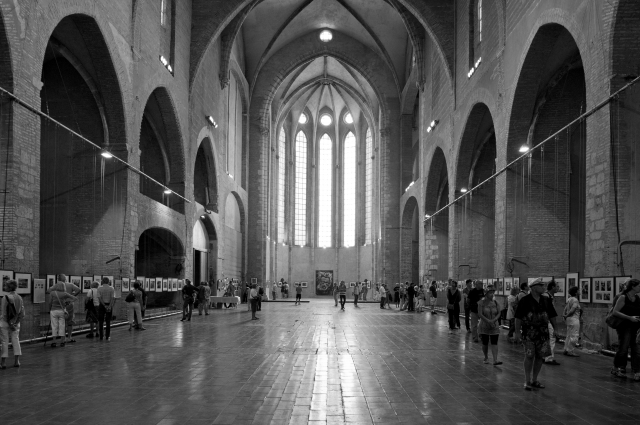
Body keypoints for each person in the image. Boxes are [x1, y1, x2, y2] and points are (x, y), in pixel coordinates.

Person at [514, 277, 558, 390]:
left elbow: (552, 315)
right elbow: (518, 317)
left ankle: (535, 379)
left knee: (540, 356)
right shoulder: (525, 300)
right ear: (533, 287)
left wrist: (556, 329)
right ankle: (527, 380)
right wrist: (517, 332)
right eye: (541, 285)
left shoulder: (546, 300)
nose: (544, 287)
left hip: (543, 333)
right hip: (529, 333)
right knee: (529, 356)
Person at [610, 278, 640, 380]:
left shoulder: (637, 298)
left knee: (636, 350)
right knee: (623, 348)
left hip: (635, 326)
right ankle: (617, 368)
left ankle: (637, 371)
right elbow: (615, 312)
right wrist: (629, 318)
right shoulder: (623, 297)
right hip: (624, 326)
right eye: (639, 286)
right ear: (633, 287)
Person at [47, 274, 81, 343]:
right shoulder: (70, 285)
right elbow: (78, 290)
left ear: (58, 279)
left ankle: (62, 338)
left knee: (60, 323)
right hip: (69, 304)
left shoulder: (56, 286)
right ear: (65, 278)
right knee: (70, 321)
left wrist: (55, 294)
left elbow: (48, 290)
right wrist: (71, 296)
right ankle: (69, 337)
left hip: (59, 306)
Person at [0, 279, 24, 368]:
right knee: (16, 340)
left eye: (6, 286)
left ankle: (3, 362)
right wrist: (15, 323)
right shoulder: (19, 297)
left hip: (5, 323)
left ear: (9, 287)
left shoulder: (5, 297)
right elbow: (22, 313)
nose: (4, 287)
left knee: (4, 341)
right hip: (16, 323)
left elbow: (4, 314)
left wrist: (10, 324)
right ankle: (17, 361)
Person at [478, 285, 502, 365]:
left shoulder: (496, 302)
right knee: (485, 342)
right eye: (490, 293)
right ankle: (486, 357)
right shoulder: (481, 302)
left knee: (494, 342)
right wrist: (488, 321)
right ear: (486, 293)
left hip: (494, 325)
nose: (492, 294)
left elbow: (499, 313)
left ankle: (495, 359)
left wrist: (494, 320)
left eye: (493, 292)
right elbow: (480, 314)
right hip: (484, 325)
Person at [542, 280, 560, 366]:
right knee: (551, 338)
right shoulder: (547, 296)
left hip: (545, 321)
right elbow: (549, 311)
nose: (558, 288)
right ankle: (549, 358)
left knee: (547, 339)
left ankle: (544, 356)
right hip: (547, 321)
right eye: (557, 286)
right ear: (552, 287)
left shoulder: (548, 296)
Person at [562, 286, 581, 357]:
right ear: (576, 292)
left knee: (568, 335)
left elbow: (565, 309)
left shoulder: (569, 299)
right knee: (574, 336)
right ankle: (570, 351)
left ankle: (566, 349)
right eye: (578, 290)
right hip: (574, 319)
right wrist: (566, 316)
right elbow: (572, 310)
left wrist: (564, 316)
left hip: (569, 320)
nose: (579, 291)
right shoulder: (575, 300)